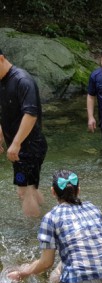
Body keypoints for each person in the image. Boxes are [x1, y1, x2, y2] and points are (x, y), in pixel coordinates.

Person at [8, 169, 102, 283]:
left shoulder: (51, 217)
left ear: (53, 192)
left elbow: (46, 263)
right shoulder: (93, 208)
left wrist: (23, 274)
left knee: (58, 270)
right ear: (78, 190)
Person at [0, 48, 48, 217]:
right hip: (21, 148)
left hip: (30, 147)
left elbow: (31, 114)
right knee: (30, 188)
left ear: (1, 59)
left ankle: (34, 229)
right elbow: (6, 115)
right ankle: (48, 215)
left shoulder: (22, 80)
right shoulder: (2, 82)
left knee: (24, 191)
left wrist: (15, 143)